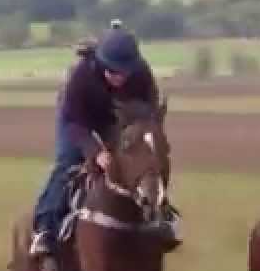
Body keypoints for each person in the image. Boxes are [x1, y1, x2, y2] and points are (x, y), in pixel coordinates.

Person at [28, 20, 179, 257]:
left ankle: (162, 214)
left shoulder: (141, 74)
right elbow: (72, 120)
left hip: (118, 121)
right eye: (113, 72)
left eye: (125, 72)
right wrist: (95, 151)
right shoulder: (82, 76)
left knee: (149, 160)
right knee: (66, 164)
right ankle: (45, 228)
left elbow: (147, 112)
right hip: (79, 122)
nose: (120, 77)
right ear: (101, 64)